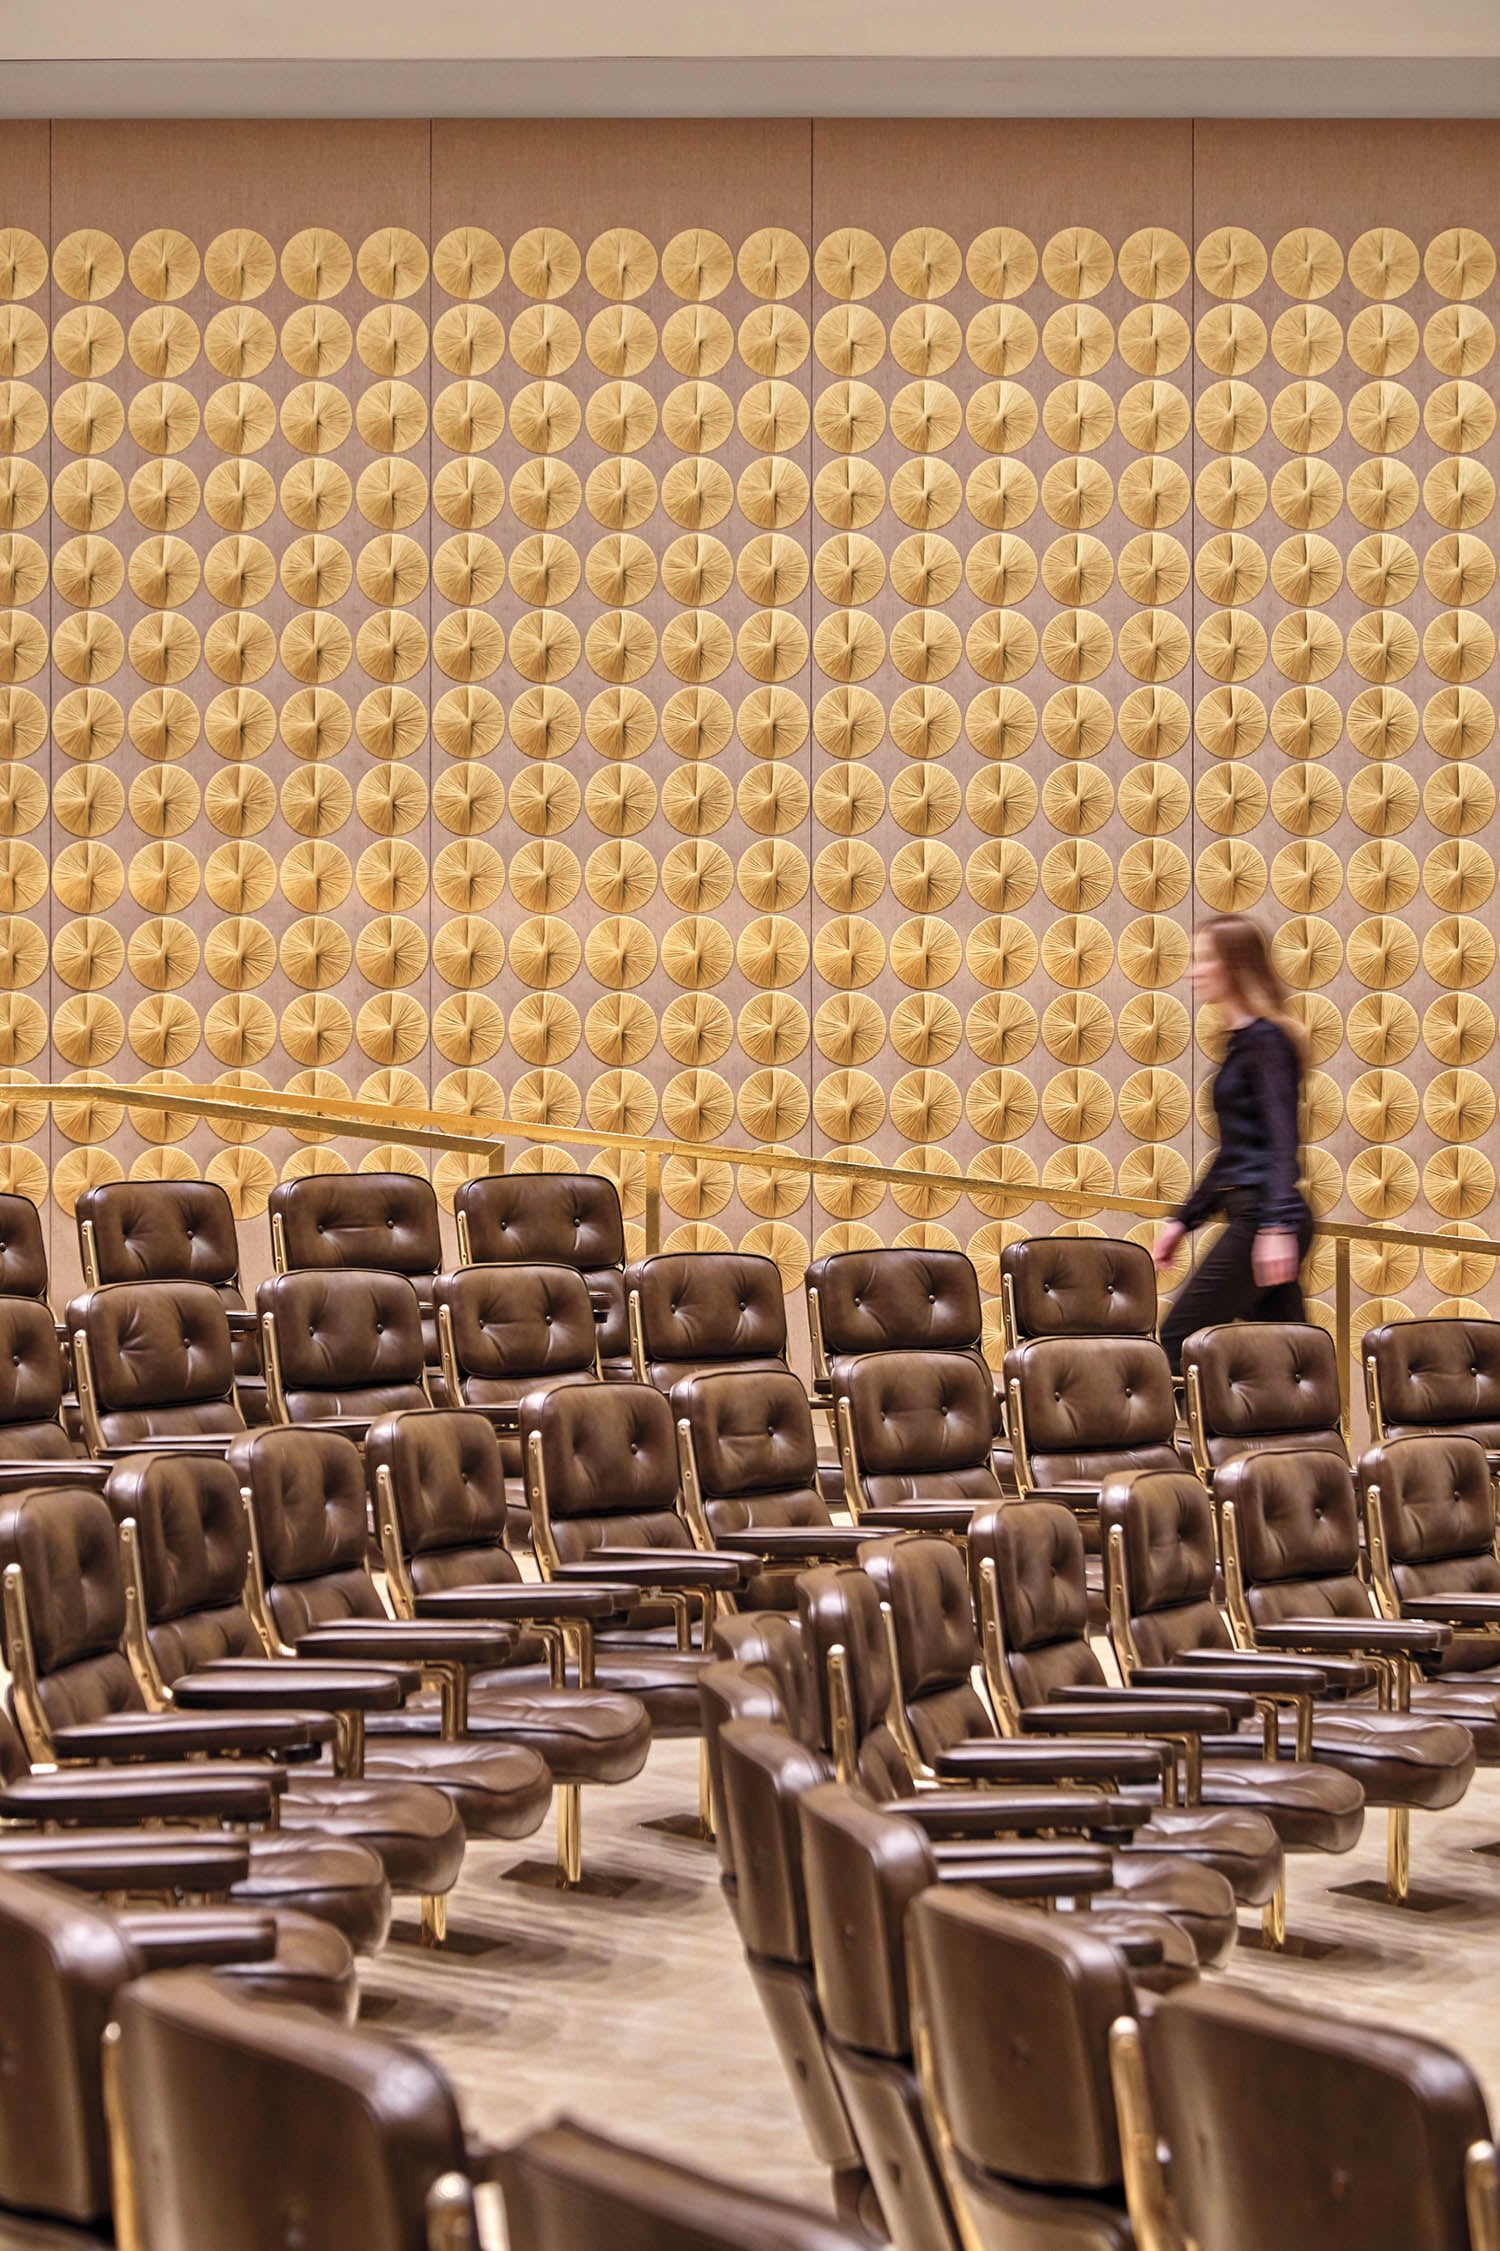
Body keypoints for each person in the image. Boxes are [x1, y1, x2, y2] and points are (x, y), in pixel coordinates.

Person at [1154, 914, 1314, 1374]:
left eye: (1204, 960)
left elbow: (1283, 1140)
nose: (1193, 972)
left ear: (1235, 966)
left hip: (1264, 1216)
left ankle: (1190, 1430)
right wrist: (1183, 1221)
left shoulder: (1266, 1042)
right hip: (1259, 1213)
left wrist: (1276, 1227)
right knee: (1287, 1361)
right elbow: (1232, 1155)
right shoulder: (1242, 1043)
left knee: (1180, 1337)